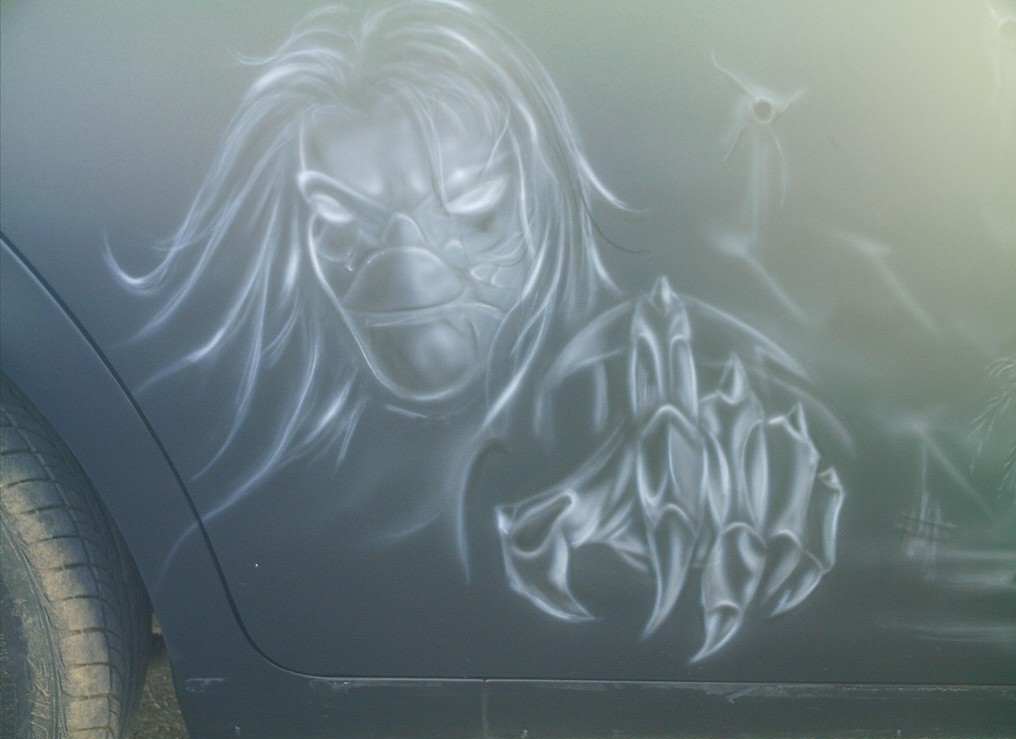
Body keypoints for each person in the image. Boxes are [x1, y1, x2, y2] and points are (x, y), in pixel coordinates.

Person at [108, 0, 843, 661]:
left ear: (540, 195)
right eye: (337, 217)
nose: (406, 264)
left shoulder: (672, 382)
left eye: (472, 203)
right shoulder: (287, 451)